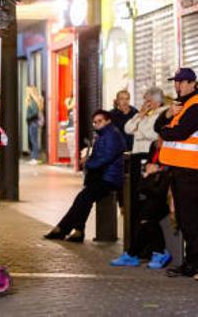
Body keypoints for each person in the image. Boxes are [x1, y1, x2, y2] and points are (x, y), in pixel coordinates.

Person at [110, 87, 171, 268]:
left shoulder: (162, 114)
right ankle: (140, 251)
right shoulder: (145, 114)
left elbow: (153, 134)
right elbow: (128, 128)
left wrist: (140, 129)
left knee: (145, 211)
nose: (146, 103)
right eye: (144, 100)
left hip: (149, 160)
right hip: (138, 159)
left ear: (157, 101)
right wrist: (139, 117)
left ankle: (148, 251)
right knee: (138, 210)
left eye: (148, 100)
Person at [45, 110, 126, 243]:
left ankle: (63, 229)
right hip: (103, 176)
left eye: (100, 121)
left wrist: (88, 163)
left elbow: (107, 157)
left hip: (110, 179)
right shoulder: (103, 134)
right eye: (95, 122)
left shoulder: (111, 135)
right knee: (83, 199)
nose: (96, 124)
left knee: (84, 197)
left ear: (108, 121)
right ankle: (77, 231)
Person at [154, 67, 198, 278]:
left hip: (191, 171)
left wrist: (165, 131)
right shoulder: (180, 105)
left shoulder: (196, 105)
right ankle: (191, 263)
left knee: (190, 219)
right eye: (176, 82)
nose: (177, 85)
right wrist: (167, 115)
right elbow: (158, 125)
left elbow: (180, 132)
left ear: (192, 83)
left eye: (182, 82)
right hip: (179, 169)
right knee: (184, 217)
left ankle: (193, 264)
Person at [25, 86, 44, 164]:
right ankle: (34, 157)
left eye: (27, 91)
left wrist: (28, 118)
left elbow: (35, 112)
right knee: (34, 140)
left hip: (33, 123)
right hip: (33, 123)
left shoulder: (32, 102)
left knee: (34, 141)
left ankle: (35, 158)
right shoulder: (34, 101)